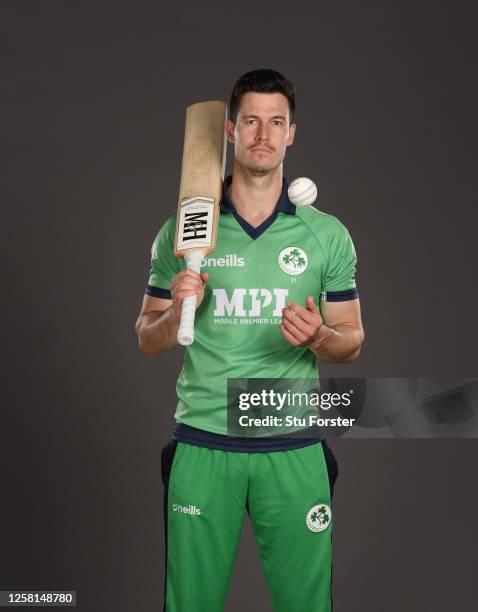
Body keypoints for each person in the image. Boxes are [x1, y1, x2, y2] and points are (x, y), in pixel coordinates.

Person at [135, 69, 364, 612]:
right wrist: (176, 313)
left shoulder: (325, 234)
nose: (264, 134)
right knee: (189, 603)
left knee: (305, 605)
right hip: (204, 440)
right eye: (252, 121)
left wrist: (321, 337)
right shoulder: (184, 230)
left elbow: (352, 339)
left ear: (292, 134)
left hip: (292, 444)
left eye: (276, 122)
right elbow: (147, 337)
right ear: (232, 131)